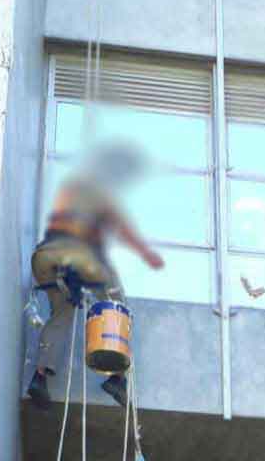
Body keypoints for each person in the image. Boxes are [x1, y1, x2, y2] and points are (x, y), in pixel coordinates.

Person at [26, 143, 164, 410]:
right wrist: (147, 254)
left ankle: (39, 376)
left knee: (63, 311)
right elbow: (122, 229)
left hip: (46, 259)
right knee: (116, 301)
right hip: (76, 254)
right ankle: (117, 376)